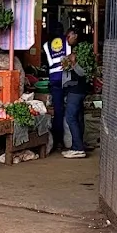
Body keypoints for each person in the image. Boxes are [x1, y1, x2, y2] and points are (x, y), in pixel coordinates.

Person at [62, 29, 89, 159]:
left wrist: (73, 62)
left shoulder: (81, 53)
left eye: (69, 36)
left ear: (76, 35)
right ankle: (79, 145)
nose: (68, 39)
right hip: (78, 90)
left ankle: (77, 148)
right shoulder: (73, 51)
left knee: (70, 117)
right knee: (78, 118)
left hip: (76, 90)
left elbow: (83, 72)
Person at [43, 26, 68, 151]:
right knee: (70, 109)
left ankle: (58, 141)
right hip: (66, 78)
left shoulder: (46, 45)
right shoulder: (66, 41)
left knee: (58, 111)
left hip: (54, 79)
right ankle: (69, 139)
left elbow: (48, 62)